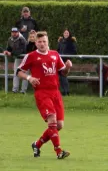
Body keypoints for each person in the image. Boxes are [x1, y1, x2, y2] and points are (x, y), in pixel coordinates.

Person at [17, 31, 72, 159]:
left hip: (55, 92)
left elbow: (63, 73)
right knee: (51, 119)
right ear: (35, 43)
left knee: (59, 125)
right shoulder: (31, 56)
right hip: (42, 92)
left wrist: (68, 67)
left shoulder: (55, 54)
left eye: (44, 42)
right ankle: (59, 151)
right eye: (39, 42)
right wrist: (29, 78)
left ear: (48, 42)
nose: (42, 44)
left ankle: (37, 144)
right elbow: (19, 72)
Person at [4, 27, 28, 93]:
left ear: (18, 32)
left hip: (25, 59)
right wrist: (6, 51)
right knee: (16, 73)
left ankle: (23, 90)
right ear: (11, 33)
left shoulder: (22, 39)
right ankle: (15, 89)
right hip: (17, 59)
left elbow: (21, 51)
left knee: (25, 74)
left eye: (15, 32)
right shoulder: (9, 39)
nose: (14, 33)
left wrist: (11, 53)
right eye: (13, 32)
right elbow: (9, 48)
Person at [56, 29, 78, 96]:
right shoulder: (60, 41)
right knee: (60, 75)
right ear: (63, 34)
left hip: (67, 61)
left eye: (67, 33)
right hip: (60, 60)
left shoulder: (71, 42)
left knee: (63, 75)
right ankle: (64, 91)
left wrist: (68, 56)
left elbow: (74, 52)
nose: (66, 34)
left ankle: (66, 91)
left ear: (69, 34)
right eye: (65, 33)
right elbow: (58, 50)